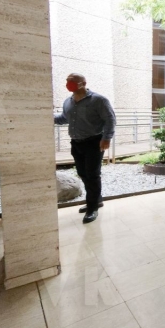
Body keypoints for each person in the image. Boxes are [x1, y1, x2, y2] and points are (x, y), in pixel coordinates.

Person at [54, 73, 116, 224]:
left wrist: (106, 138)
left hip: (94, 142)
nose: (69, 84)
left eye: (73, 82)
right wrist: (47, 116)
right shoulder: (68, 102)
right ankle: (96, 200)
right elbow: (64, 118)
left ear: (83, 83)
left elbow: (110, 119)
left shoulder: (98, 100)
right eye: (67, 81)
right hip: (76, 143)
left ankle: (92, 207)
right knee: (82, 173)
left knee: (93, 174)